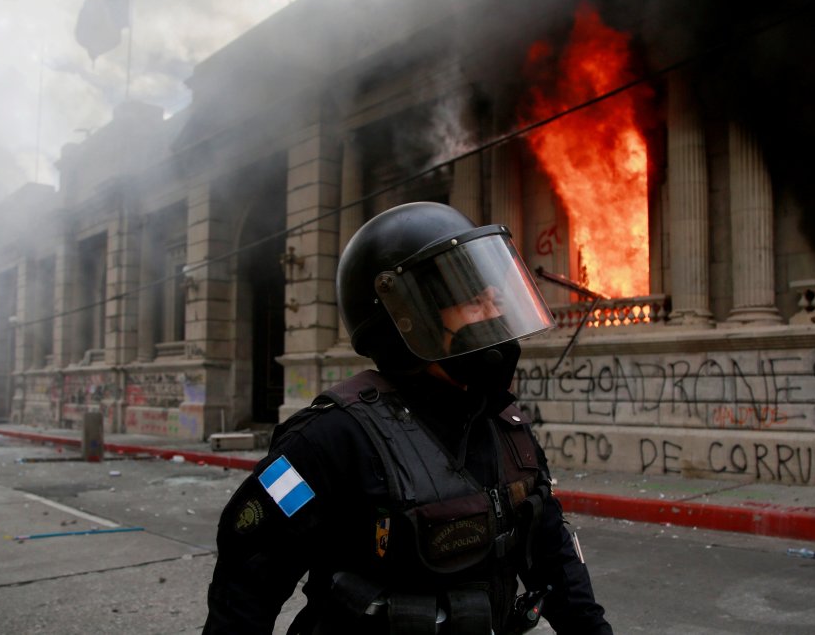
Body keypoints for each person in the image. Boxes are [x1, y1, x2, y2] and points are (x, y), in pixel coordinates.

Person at [203, 202, 612, 634]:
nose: (495, 313)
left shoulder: (504, 425)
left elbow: (556, 562)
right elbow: (245, 592)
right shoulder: (330, 439)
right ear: (406, 323)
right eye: (474, 301)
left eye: (492, 296)